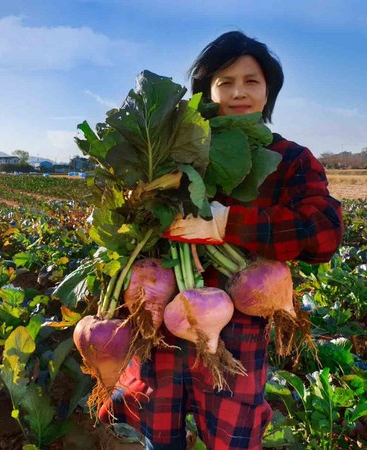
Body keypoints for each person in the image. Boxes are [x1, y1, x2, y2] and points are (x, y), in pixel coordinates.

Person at [98, 30, 344, 449]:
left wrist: (229, 223)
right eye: (224, 82)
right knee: (159, 435)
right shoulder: (174, 153)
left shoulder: (290, 159)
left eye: (251, 81)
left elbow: (323, 234)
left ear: (269, 91)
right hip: (163, 325)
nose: (238, 92)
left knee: (235, 438)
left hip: (242, 329)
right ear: (207, 90)